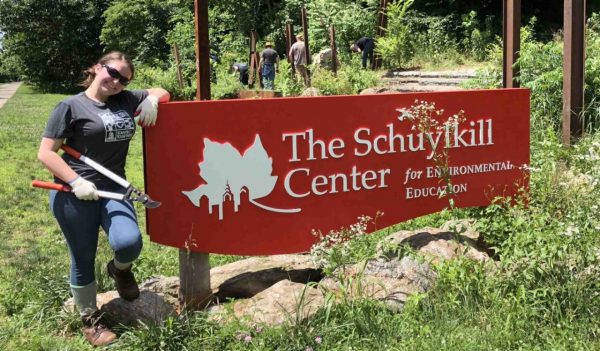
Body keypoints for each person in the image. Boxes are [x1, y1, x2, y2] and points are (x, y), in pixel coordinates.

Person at [37, 51, 170, 347]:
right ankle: (90, 319)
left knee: (128, 242)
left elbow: (162, 90)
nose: (117, 81)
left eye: (124, 79)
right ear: (98, 67)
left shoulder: (124, 99)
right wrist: (75, 180)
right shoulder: (70, 106)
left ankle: (119, 270)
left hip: (114, 188)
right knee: (82, 256)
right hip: (74, 192)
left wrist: (152, 99)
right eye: (112, 73)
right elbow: (46, 152)